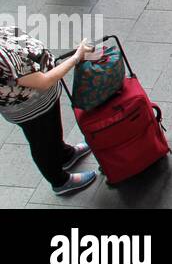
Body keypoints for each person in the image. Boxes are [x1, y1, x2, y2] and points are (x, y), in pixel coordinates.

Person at [0, 31, 98, 196]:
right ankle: (60, 181)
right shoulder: (2, 58)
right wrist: (77, 56)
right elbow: (43, 82)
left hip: (40, 101)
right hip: (31, 107)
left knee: (50, 131)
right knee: (42, 142)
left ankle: (64, 154)